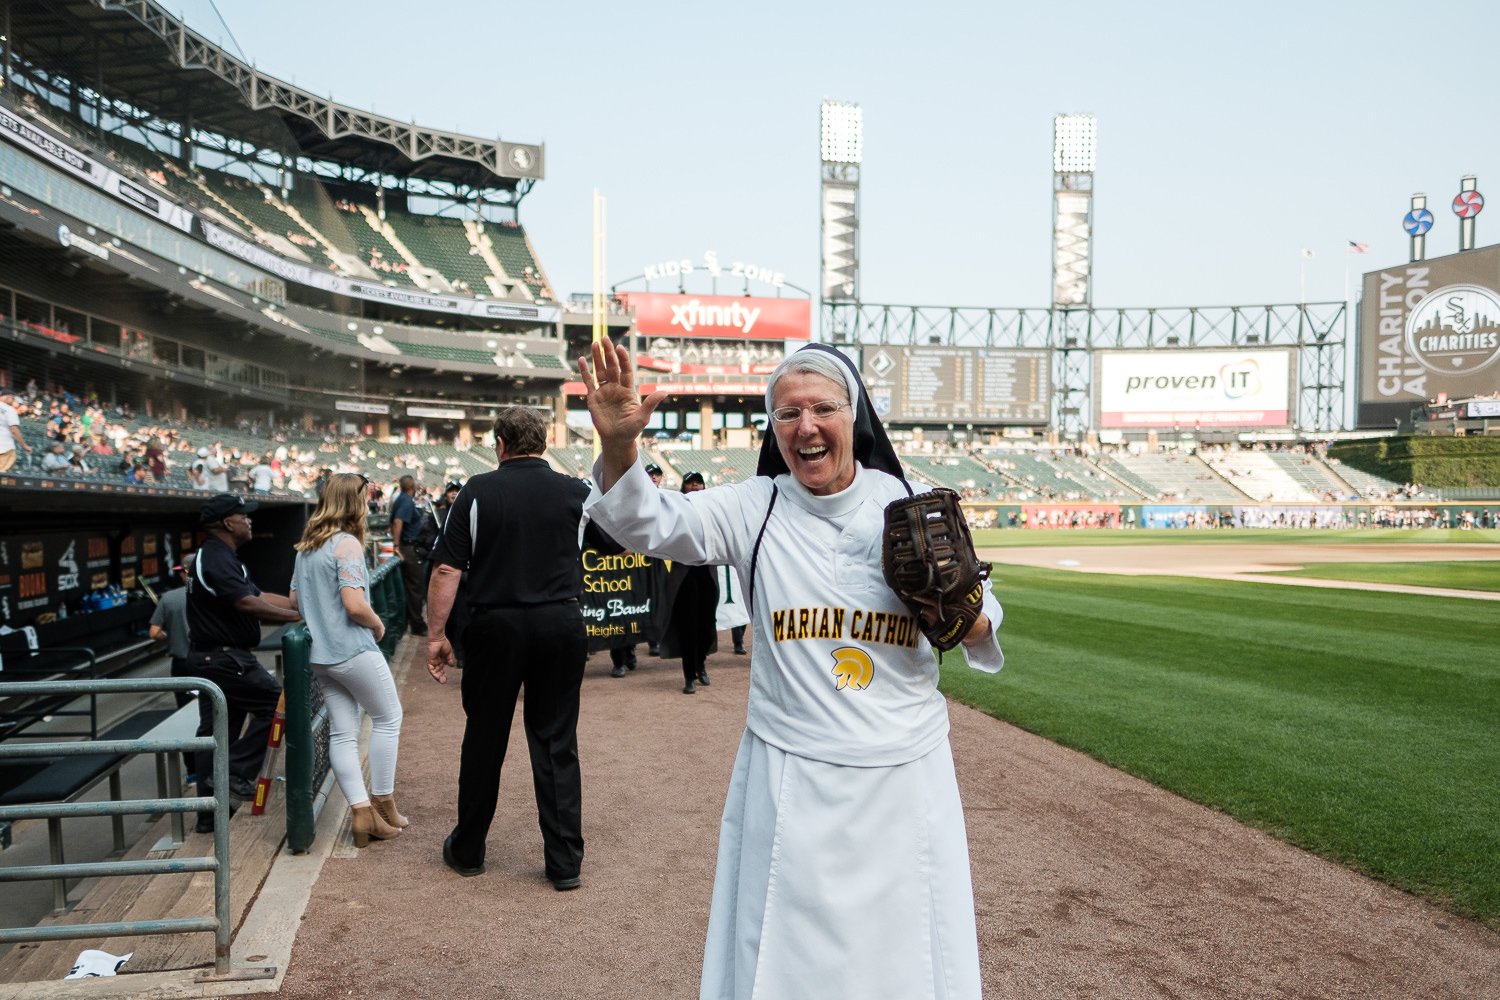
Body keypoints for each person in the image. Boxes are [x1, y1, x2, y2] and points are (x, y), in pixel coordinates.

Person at [578, 336, 1005, 998]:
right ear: (773, 429)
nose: (805, 427)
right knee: (783, 963)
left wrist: (952, 606)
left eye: (821, 409)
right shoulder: (757, 507)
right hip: (790, 776)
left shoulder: (912, 505)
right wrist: (619, 447)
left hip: (903, 777)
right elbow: (647, 524)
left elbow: (983, 625)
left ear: (854, 415)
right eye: (786, 413)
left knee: (908, 964)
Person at [425, 406, 616, 890]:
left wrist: (436, 635)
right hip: (560, 619)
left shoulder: (477, 490)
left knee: (485, 736)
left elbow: (447, 570)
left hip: (496, 624)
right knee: (555, 740)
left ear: (499, 445)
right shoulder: (577, 492)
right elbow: (614, 543)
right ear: (545, 443)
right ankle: (564, 862)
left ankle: (469, 850)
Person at [289, 473, 405, 848]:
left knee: (343, 731)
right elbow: (355, 605)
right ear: (352, 502)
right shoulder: (347, 544)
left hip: (321, 656)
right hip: (353, 649)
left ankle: (361, 813)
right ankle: (383, 803)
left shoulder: (306, 546)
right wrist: (378, 623)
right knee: (389, 718)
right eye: (364, 497)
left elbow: (294, 602)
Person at [184, 493, 302, 832]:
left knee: (215, 733)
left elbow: (259, 596)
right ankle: (233, 770)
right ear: (227, 523)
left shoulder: (219, 555)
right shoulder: (216, 556)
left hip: (215, 657)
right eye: (243, 515)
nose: (249, 520)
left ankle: (209, 814)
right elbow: (247, 604)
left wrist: (299, 607)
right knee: (280, 705)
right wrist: (294, 614)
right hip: (222, 658)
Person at [660, 472, 718, 694]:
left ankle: (701, 662)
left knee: (706, 624)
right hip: (684, 574)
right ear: (684, 487)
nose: (695, 486)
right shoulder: (675, 508)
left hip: (706, 572)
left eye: (699, 483)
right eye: (691, 483)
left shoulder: (712, 508)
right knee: (688, 625)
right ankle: (689, 675)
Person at [389, 475, 429, 636]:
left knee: (413, 588)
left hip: (408, 546)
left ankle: (412, 622)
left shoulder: (402, 498)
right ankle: (417, 625)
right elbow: (398, 521)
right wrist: (397, 545)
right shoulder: (405, 500)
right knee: (415, 588)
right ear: (412, 487)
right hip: (409, 547)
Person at [714, 563, 750, 656]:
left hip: (739, 571)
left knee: (742, 607)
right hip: (725, 572)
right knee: (734, 609)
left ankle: (739, 639)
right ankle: (738, 642)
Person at [0, 388, 33, 472]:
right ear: (8, 397)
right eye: (13, 398)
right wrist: (25, 446)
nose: (13, 400)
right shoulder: (9, 409)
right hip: (4, 448)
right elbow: (14, 430)